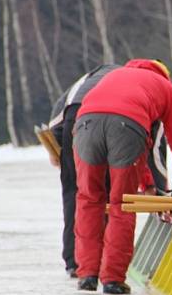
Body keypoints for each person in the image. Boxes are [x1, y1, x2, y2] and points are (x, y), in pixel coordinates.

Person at [73, 59, 172, 294]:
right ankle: (112, 279)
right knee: (121, 203)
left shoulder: (114, 76)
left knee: (88, 199)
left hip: (84, 124)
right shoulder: (165, 87)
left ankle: (87, 274)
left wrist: (147, 181)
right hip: (127, 127)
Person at [48, 64, 119, 277]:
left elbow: (58, 113)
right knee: (104, 191)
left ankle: (74, 261)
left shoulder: (87, 79)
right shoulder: (125, 79)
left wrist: (56, 147)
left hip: (75, 116)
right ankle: (102, 258)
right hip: (109, 118)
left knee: (75, 191)